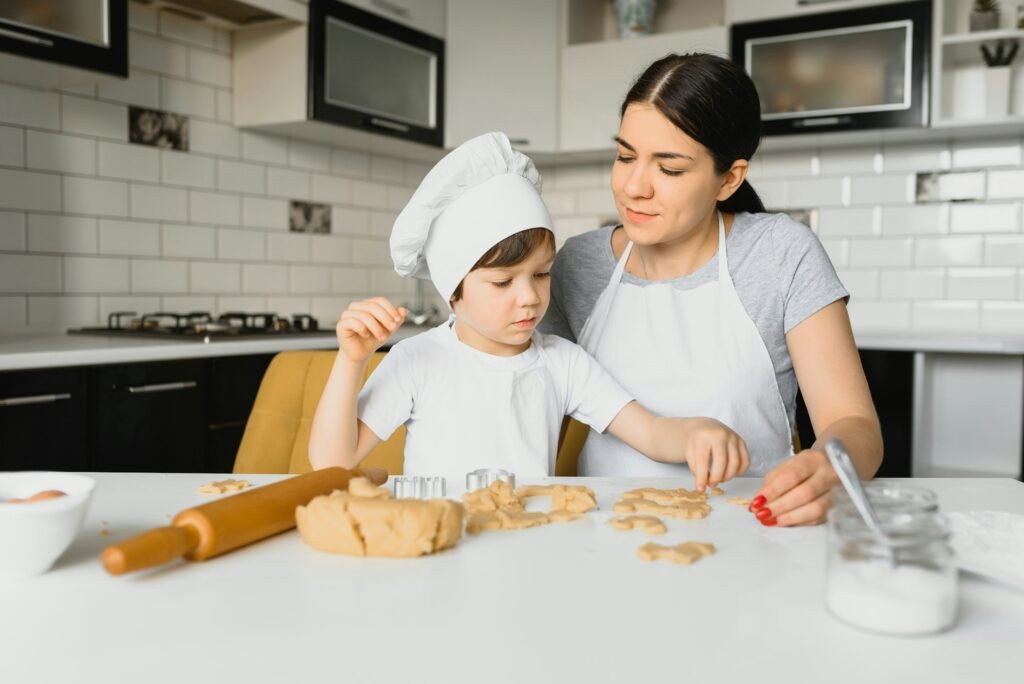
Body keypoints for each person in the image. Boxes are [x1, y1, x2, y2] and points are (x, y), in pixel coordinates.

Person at [540, 53, 883, 526]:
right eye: (624, 156)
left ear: (729, 178)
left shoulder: (781, 254)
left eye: (670, 169)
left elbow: (855, 425)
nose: (634, 186)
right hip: (604, 538)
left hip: (757, 533)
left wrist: (827, 466)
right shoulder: (576, 265)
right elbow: (534, 417)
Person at [309, 132, 750, 489]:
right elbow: (332, 462)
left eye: (542, 274)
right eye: (503, 281)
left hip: (532, 548)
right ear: (453, 291)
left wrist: (695, 432)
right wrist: (352, 360)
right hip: (439, 552)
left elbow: (650, 433)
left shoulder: (562, 362)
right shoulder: (417, 361)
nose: (530, 297)